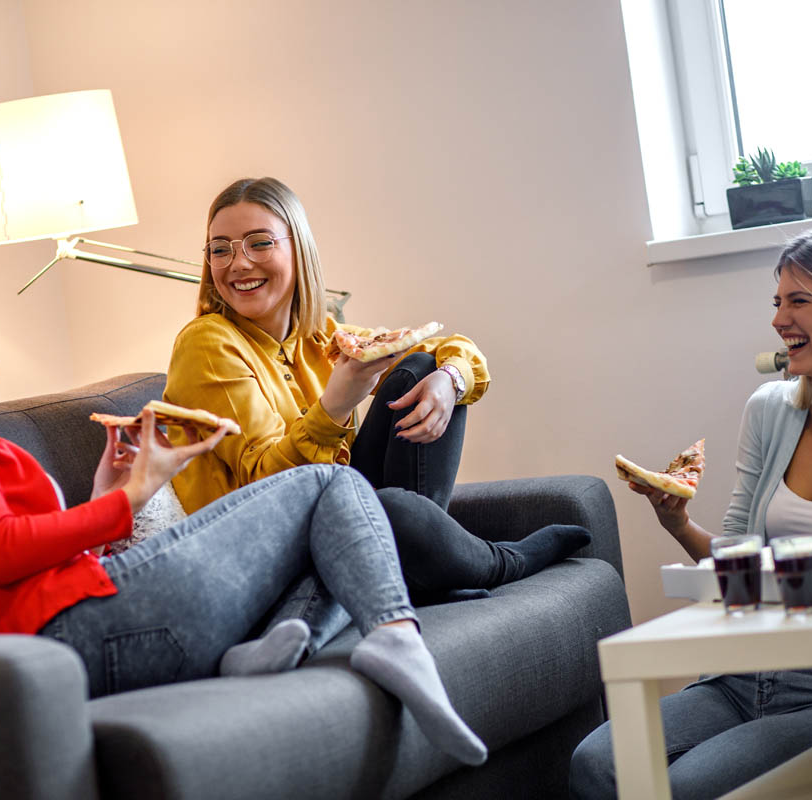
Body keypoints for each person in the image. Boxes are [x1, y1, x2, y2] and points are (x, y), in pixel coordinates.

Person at [0, 298, 488, 766]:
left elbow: (5, 562)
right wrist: (131, 498)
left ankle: (285, 639)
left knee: (331, 530)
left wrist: (107, 489)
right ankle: (396, 637)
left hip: (66, 635)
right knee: (331, 485)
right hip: (64, 641)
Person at [569, 226, 812, 799]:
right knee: (597, 763)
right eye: (777, 302)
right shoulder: (771, 412)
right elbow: (740, 564)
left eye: (799, 300)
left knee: (683, 787)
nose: (780, 319)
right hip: (741, 674)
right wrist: (678, 523)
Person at [163, 177, 588, 621]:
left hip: (332, 519)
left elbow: (446, 346)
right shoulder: (206, 343)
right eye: (220, 249)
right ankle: (500, 563)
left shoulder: (321, 335)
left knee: (418, 371)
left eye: (259, 243)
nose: (238, 264)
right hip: (267, 555)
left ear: (299, 249)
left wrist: (451, 378)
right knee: (392, 508)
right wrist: (335, 407)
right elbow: (268, 489)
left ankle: (416, 574)